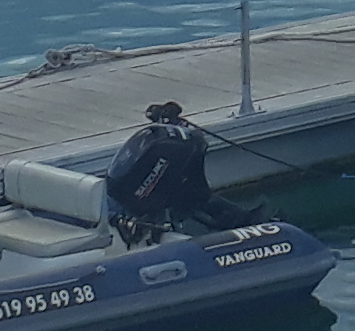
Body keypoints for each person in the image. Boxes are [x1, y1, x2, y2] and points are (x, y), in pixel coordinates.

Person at [103, 102, 258, 245]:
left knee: (192, 197)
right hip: (119, 210)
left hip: (119, 206)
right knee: (194, 197)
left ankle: (243, 221)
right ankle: (244, 221)